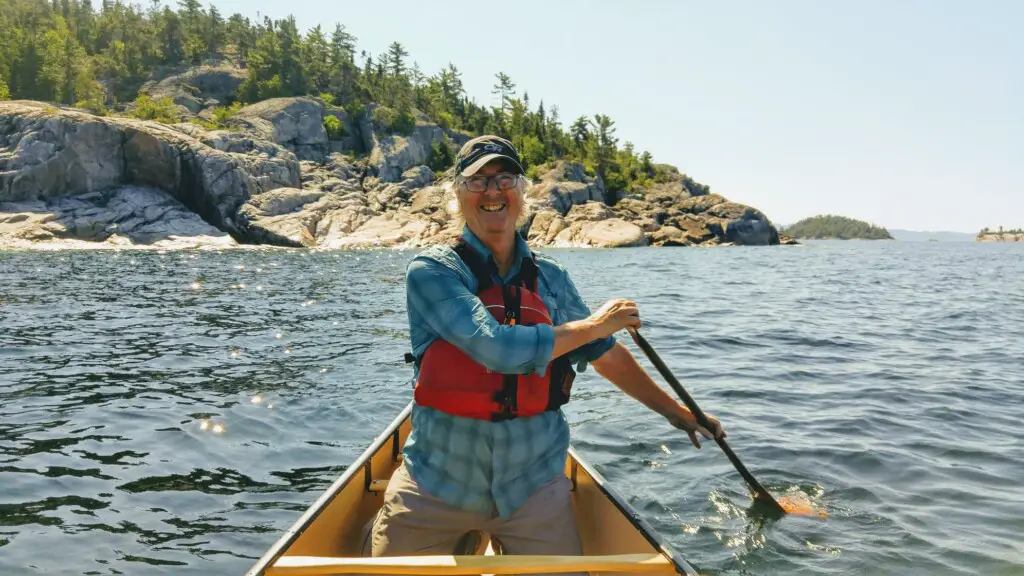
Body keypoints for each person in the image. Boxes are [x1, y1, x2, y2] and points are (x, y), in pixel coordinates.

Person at [365, 135, 725, 560]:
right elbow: (495, 348)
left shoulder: (551, 277)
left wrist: (679, 414)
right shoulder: (433, 270)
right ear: (458, 195)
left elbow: (606, 354)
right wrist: (593, 325)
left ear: (522, 191)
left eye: (505, 179)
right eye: (477, 181)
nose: (493, 191)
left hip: (532, 488)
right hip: (435, 486)